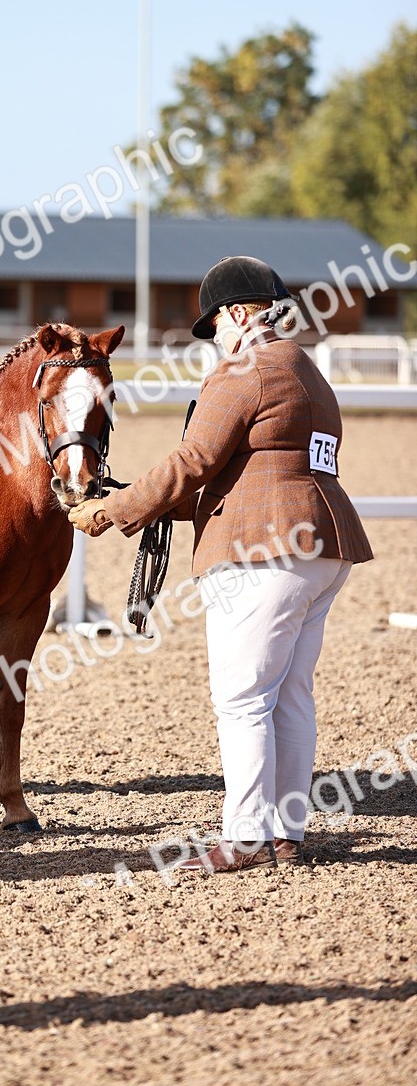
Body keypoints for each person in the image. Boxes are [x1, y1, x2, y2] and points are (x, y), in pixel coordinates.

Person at [68, 256, 373, 874]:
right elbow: (260, 469)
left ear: (237, 313)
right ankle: (285, 834)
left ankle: (244, 838)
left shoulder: (243, 370)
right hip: (325, 545)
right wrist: (154, 505)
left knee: (242, 698)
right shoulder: (306, 368)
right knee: (290, 695)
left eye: (215, 327)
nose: (215, 341)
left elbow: (194, 460)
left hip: (266, 549)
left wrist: (114, 510)